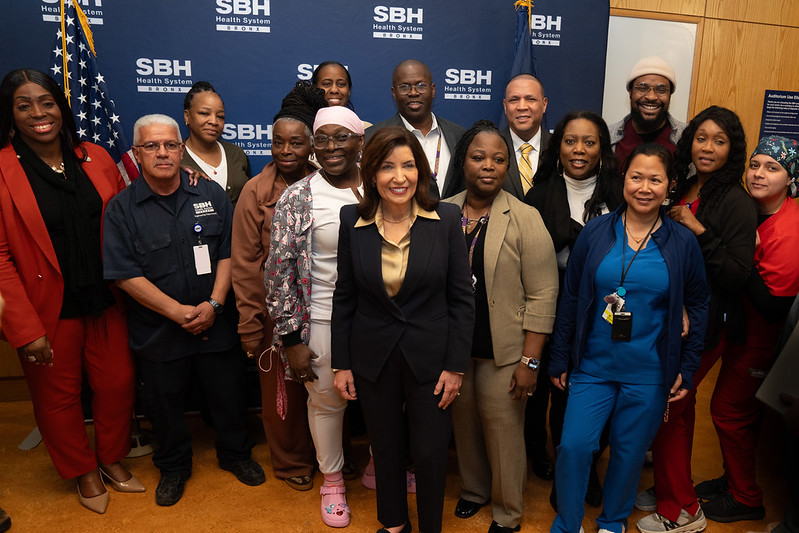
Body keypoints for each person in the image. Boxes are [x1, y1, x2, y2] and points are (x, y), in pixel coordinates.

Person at [103, 113, 264, 507]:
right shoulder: (121, 209)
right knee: (164, 406)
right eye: (152, 146)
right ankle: (174, 467)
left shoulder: (210, 194)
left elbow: (229, 252)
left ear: (181, 150)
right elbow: (124, 275)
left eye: (170, 145)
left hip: (216, 322)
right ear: (137, 153)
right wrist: (177, 312)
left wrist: (215, 304)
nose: (162, 153)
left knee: (228, 396)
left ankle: (236, 455)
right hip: (159, 330)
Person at [549, 143, 709, 533]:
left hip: (649, 372)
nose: (645, 187)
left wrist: (687, 369)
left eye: (655, 179)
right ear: (623, 179)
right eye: (637, 177)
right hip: (592, 366)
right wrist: (559, 356)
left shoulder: (681, 242)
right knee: (573, 446)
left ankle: (613, 522)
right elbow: (571, 295)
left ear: (670, 185)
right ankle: (568, 524)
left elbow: (698, 305)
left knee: (628, 452)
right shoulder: (596, 231)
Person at [0, 68, 140, 514]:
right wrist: (25, 329)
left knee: (117, 384)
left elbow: (130, 215)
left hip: (106, 299)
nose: (38, 113)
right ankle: (82, 470)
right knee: (57, 398)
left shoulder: (94, 157)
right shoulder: (2, 169)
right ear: (10, 114)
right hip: (46, 310)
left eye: (47, 102)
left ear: (61, 108)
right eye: (24, 105)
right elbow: (0, 258)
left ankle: (111, 458)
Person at [331, 125, 474, 533]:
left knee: (430, 452)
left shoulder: (446, 219)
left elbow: (462, 299)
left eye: (409, 166)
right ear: (371, 173)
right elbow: (345, 295)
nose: (399, 177)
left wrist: (455, 366)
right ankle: (394, 523)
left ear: (421, 171)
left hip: (432, 359)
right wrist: (342, 363)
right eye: (387, 167)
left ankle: (430, 527)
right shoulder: (352, 219)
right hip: (373, 356)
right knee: (385, 447)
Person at [636, 106, 757, 533]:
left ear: (732, 149)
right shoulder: (685, 185)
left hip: (706, 324)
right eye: (701, 138)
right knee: (676, 410)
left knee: (670, 406)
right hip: (671, 316)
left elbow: (737, 275)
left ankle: (682, 511)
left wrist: (698, 229)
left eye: (719, 141)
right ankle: (673, 486)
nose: (707, 147)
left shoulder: (737, 202)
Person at [445, 121, 558, 532]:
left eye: (498, 159)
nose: (488, 166)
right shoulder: (442, 212)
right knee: (465, 426)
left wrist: (531, 361)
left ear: (508, 165)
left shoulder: (525, 218)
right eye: (478, 157)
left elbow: (544, 294)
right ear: (463, 162)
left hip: (506, 351)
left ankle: (508, 511)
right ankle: (474, 491)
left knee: (504, 432)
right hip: (456, 350)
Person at [265, 106, 365, 528]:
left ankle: (382, 467)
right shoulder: (298, 196)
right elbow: (278, 271)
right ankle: (333, 482)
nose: (330, 147)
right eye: (321, 139)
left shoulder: (383, 185)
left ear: (360, 142)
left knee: (383, 398)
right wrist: (291, 339)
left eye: (341, 137)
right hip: (321, 319)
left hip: (379, 321)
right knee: (326, 403)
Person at [696, 136, 799, 523]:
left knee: (728, 411)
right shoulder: (749, 210)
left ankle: (746, 497)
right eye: (754, 165)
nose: (758, 174)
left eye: (772, 168)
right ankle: (732, 479)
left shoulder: (790, 229)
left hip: (762, 339)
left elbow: (774, 307)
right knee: (740, 415)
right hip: (738, 329)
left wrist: (746, 254)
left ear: (790, 179)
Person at [524, 110, 623, 507]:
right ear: (558, 147)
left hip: (605, 311)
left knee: (594, 392)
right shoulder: (538, 195)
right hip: (548, 305)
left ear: (602, 149)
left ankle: (587, 466)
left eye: (589, 141)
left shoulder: (620, 194)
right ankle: (542, 454)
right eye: (570, 141)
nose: (579, 150)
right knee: (547, 389)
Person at [231, 81, 326, 491]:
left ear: (312, 145)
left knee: (325, 389)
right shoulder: (254, 192)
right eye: (277, 142)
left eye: (296, 143)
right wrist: (251, 325)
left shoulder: (328, 184)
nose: (285, 151)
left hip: (323, 308)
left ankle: (330, 457)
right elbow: (245, 266)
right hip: (277, 314)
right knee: (283, 396)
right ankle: (291, 462)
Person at [366, 59, 465, 199]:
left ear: (432, 90)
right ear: (394, 93)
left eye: (420, 85)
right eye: (404, 87)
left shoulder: (460, 136)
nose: (413, 92)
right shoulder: (372, 137)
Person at [180, 81, 251, 205]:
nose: (214, 121)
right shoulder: (175, 157)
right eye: (204, 113)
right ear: (187, 116)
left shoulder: (236, 154)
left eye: (220, 116)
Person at [609, 56, 687, 170]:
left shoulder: (686, 138)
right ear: (630, 92)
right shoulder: (608, 137)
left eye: (661, 90)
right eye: (642, 88)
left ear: (670, 95)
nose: (651, 97)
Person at [501, 74, 550, 200]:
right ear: (505, 106)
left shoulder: (559, 148)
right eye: (514, 100)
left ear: (544, 104)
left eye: (530, 99)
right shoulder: (491, 148)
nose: (522, 107)